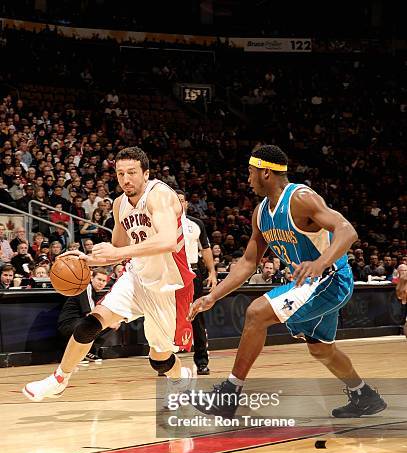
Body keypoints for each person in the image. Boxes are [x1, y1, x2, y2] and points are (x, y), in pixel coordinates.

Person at [188, 144, 387, 418]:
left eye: (250, 172)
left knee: (257, 313)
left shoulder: (301, 198)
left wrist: (320, 262)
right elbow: (248, 263)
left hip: (330, 278)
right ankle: (364, 395)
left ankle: (229, 394)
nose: (247, 179)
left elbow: (347, 230)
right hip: (308, 284)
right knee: (321, 350)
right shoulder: (261, 213)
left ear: (266, 173)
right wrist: (213, 296)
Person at [23, 146, 195, 402]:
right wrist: (88, 259)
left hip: (168, 285)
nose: (126, 179)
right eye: (120, 173)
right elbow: (118, 248)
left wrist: (117, 254)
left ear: (145, 174)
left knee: (160, 360)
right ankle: (59, 378)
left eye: (132, 173)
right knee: (89, 324)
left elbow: (169, 240)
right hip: (136, 277)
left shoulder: (159, 196)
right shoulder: (119, 204)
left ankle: (182, 379)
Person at [178, 190, 217, 375]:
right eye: (174, 201)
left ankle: (202, 361)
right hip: (172, 273)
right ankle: (167, 360)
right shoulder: (162, 225)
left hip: (193, 271)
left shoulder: (196, 224)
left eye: (181, 201)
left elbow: (206, 248)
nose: (178, 204)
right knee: (169, 316)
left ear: (186, 204)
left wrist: (212, 272)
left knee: (197, 316)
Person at [57, 267, 120, 363]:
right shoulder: (86, 288)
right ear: (91, 278)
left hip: (78, 323)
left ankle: (90, 352)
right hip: (68, 325)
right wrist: (110, 323)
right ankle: (81, 353)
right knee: (98, 323)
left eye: (104, 281)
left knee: (109, 324)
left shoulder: (96, 293)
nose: (101, 283)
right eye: (99, 279)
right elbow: (91, 315)